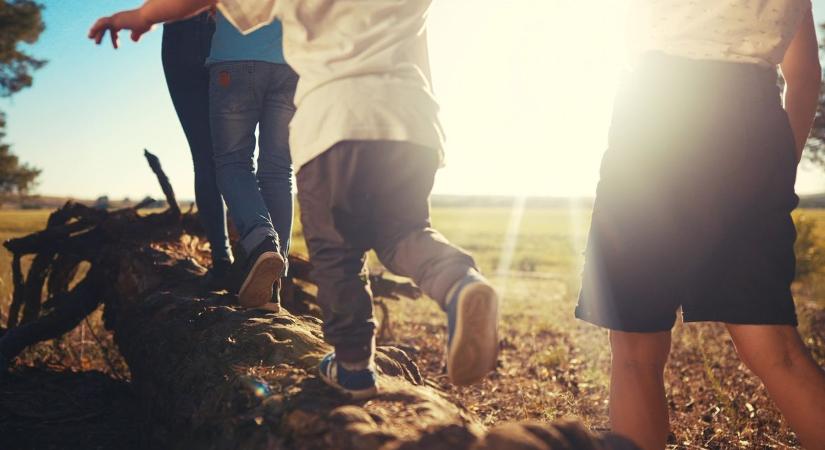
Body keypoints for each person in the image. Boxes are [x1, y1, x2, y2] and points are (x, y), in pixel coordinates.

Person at [89, 0, 500, 400]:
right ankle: (459, 283)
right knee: (406, 234)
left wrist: (141, 16)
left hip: (335, 125)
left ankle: (353, 364)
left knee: (338, 251)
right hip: (415, 126)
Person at [574, 1, 825, 449]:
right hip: (752, 121)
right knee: (777, 351)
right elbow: (804, 76)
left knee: (635, 354)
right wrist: (774, 171)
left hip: (656, 115)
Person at [207, 12, 297, 309]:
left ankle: (261, 242)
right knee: (278, 171)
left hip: (235, 52)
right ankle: (271, 286)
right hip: (292, 61)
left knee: (233, 163)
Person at [161, 11, 232, 288]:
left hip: (178, 28)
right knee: (237, 156)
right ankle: (258, 254)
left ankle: (223, 260)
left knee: (204, 158)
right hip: (225, 29)